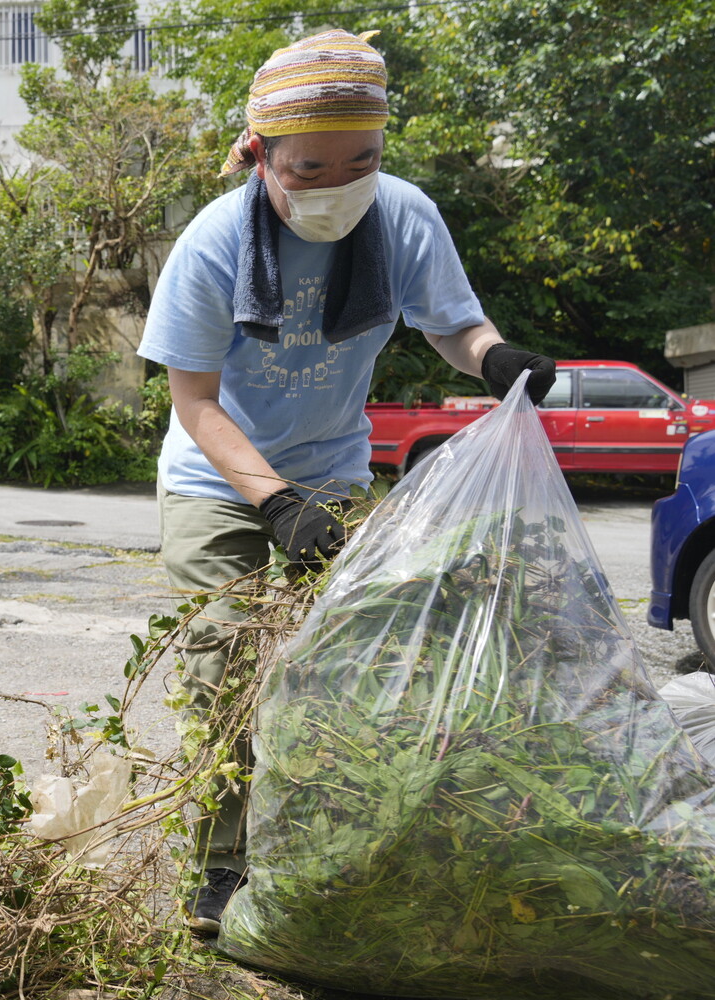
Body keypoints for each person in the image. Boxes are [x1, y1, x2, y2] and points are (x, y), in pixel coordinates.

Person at [135, 29, 556, 937]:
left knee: (340, 671)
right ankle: (216, 867)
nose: (340, 184)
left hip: (333, 470)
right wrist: (274, 502)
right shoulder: (213, 245)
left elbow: (454, 324)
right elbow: (197, 403)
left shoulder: (402, 216)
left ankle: (316, 848)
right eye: (311, 167)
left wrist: (494, 359)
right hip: (217, 483)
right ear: (261, 157)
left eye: (361, 159)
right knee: (226, 668)